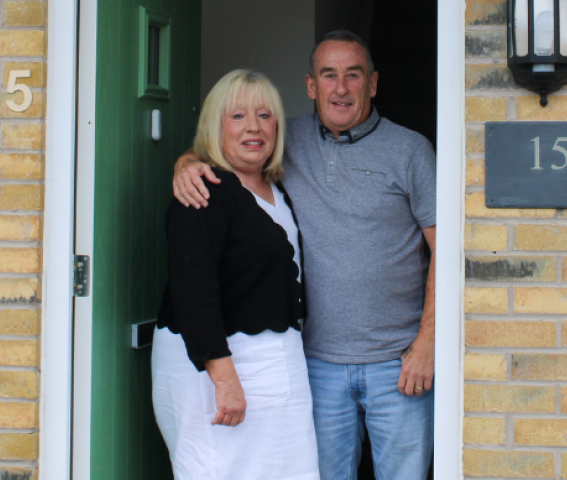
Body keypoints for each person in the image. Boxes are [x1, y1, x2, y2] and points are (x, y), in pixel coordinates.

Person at [174, 31, 436, 480]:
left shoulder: (411, 151)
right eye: (328, 76)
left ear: (372, 84)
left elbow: (446, 252)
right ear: (311, 86)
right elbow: (225, 145)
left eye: (353, 75)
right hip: (315, 364)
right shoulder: (283, 139)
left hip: (399, 365)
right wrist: (185, 164)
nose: (341, 88)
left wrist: (427, 346)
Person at [152, 69, 320, 480]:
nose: (254, 127)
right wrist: (224, 378)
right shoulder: (202, 190)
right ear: (216, 124)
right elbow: (194, 291)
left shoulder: (276, 189)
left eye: (264, 115)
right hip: (217, 367)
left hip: (278, 361)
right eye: (238, 116)